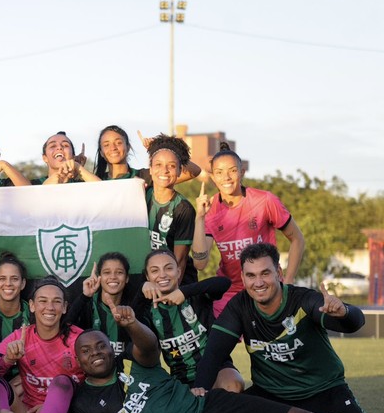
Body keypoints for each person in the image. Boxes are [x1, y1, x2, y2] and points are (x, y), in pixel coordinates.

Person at [69, 307, 383, 413]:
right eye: (86, 351)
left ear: (112, 350)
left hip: (210, 406)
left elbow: (149, 345)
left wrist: (134, 323)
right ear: (78, 360)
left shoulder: (131, 364)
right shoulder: (83, 401)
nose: (95, 352)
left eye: (101, 346)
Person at [193, 243, 383, 413]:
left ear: (279, 273)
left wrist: (344, 312)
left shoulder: (302, 299)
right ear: (242, 278)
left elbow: (354, 323)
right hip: (271, 395)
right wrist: (200, 390)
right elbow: (214, 354)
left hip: (324, 391)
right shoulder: (239, 306)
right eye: (251, 275)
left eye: (265, 273)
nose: (258, 282)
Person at [190, 143, 305, 317]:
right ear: (213, 177)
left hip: (265, 286)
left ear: (242, 172)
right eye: (219, 172)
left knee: (274, 342)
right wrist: (199, 218)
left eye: (232, 171)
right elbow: (200, 263)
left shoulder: (265, 201)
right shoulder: (210, 209)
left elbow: (297, 239)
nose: (226, 177)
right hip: (230, 292)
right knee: (214, 339)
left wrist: (287, 281)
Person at [0, 277, 88, 413]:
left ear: (65, 307)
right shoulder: (20, 337)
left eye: (56, 301)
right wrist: (7, 360)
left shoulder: (79, 339)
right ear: (32, 306)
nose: (49, 307)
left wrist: (52, 407)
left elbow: (100, 383)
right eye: (43, 301)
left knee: (61, 381)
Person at [135, 249, 243, 391]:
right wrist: (141, 288)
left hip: (217, 369)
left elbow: (223, 283)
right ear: (147, 277)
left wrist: (184, 292)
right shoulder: (149, 311)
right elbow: (129, 321)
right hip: (181, 379)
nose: (162, 274)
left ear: (178, 272)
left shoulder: (196, 296)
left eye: (168, 268)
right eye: (155, 271)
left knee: (233, 384)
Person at [143, 133, 198, 286]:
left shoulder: (183, 209)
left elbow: (179, 261)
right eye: (158, 165)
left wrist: (170, 295)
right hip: (149, 280)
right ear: (151, 169)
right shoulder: (141, 196)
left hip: (176, 283)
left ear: (180, 171)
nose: (165, 171)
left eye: (172, 166)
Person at [66, 252, 141, 363]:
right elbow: (65, 328)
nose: (113, 277)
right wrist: (85, 296)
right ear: (99, 277)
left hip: (127, 372)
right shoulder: (88, 304)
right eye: (107, 272)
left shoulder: (133, 305)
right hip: (95, 371)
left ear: (127, 278)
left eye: (119, 272)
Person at [93, 125, 200, 183]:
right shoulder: (96, 181)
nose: (113, 148)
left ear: (128, 147)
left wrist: (158, 150)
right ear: (101, 153)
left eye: (118, 143)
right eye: (106, 145)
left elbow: (194, 171)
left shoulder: (146, 176)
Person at [32, 132, 99, 185]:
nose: (59, 147)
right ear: (45, 158)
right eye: (53, 146)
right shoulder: (33, 184)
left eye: (65, 145)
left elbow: (103, 190)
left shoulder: (82, 185)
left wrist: (78, 167)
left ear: (73, 156)